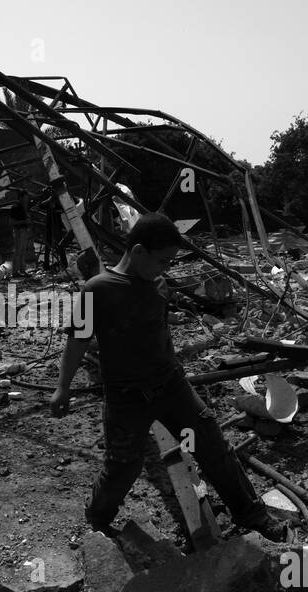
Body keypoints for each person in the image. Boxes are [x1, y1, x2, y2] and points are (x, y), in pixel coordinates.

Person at [49, 213, 285, 540]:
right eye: (162, 260)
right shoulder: (97, 290)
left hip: (171, 386)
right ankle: (98, 518)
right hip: (126, 395)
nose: (166, 268)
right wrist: (62, 387)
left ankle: (251, 513)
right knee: (123, 465)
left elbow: (160, 333)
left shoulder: (159, 285)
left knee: (212, 446)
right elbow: (78, 340)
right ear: (139, 251)